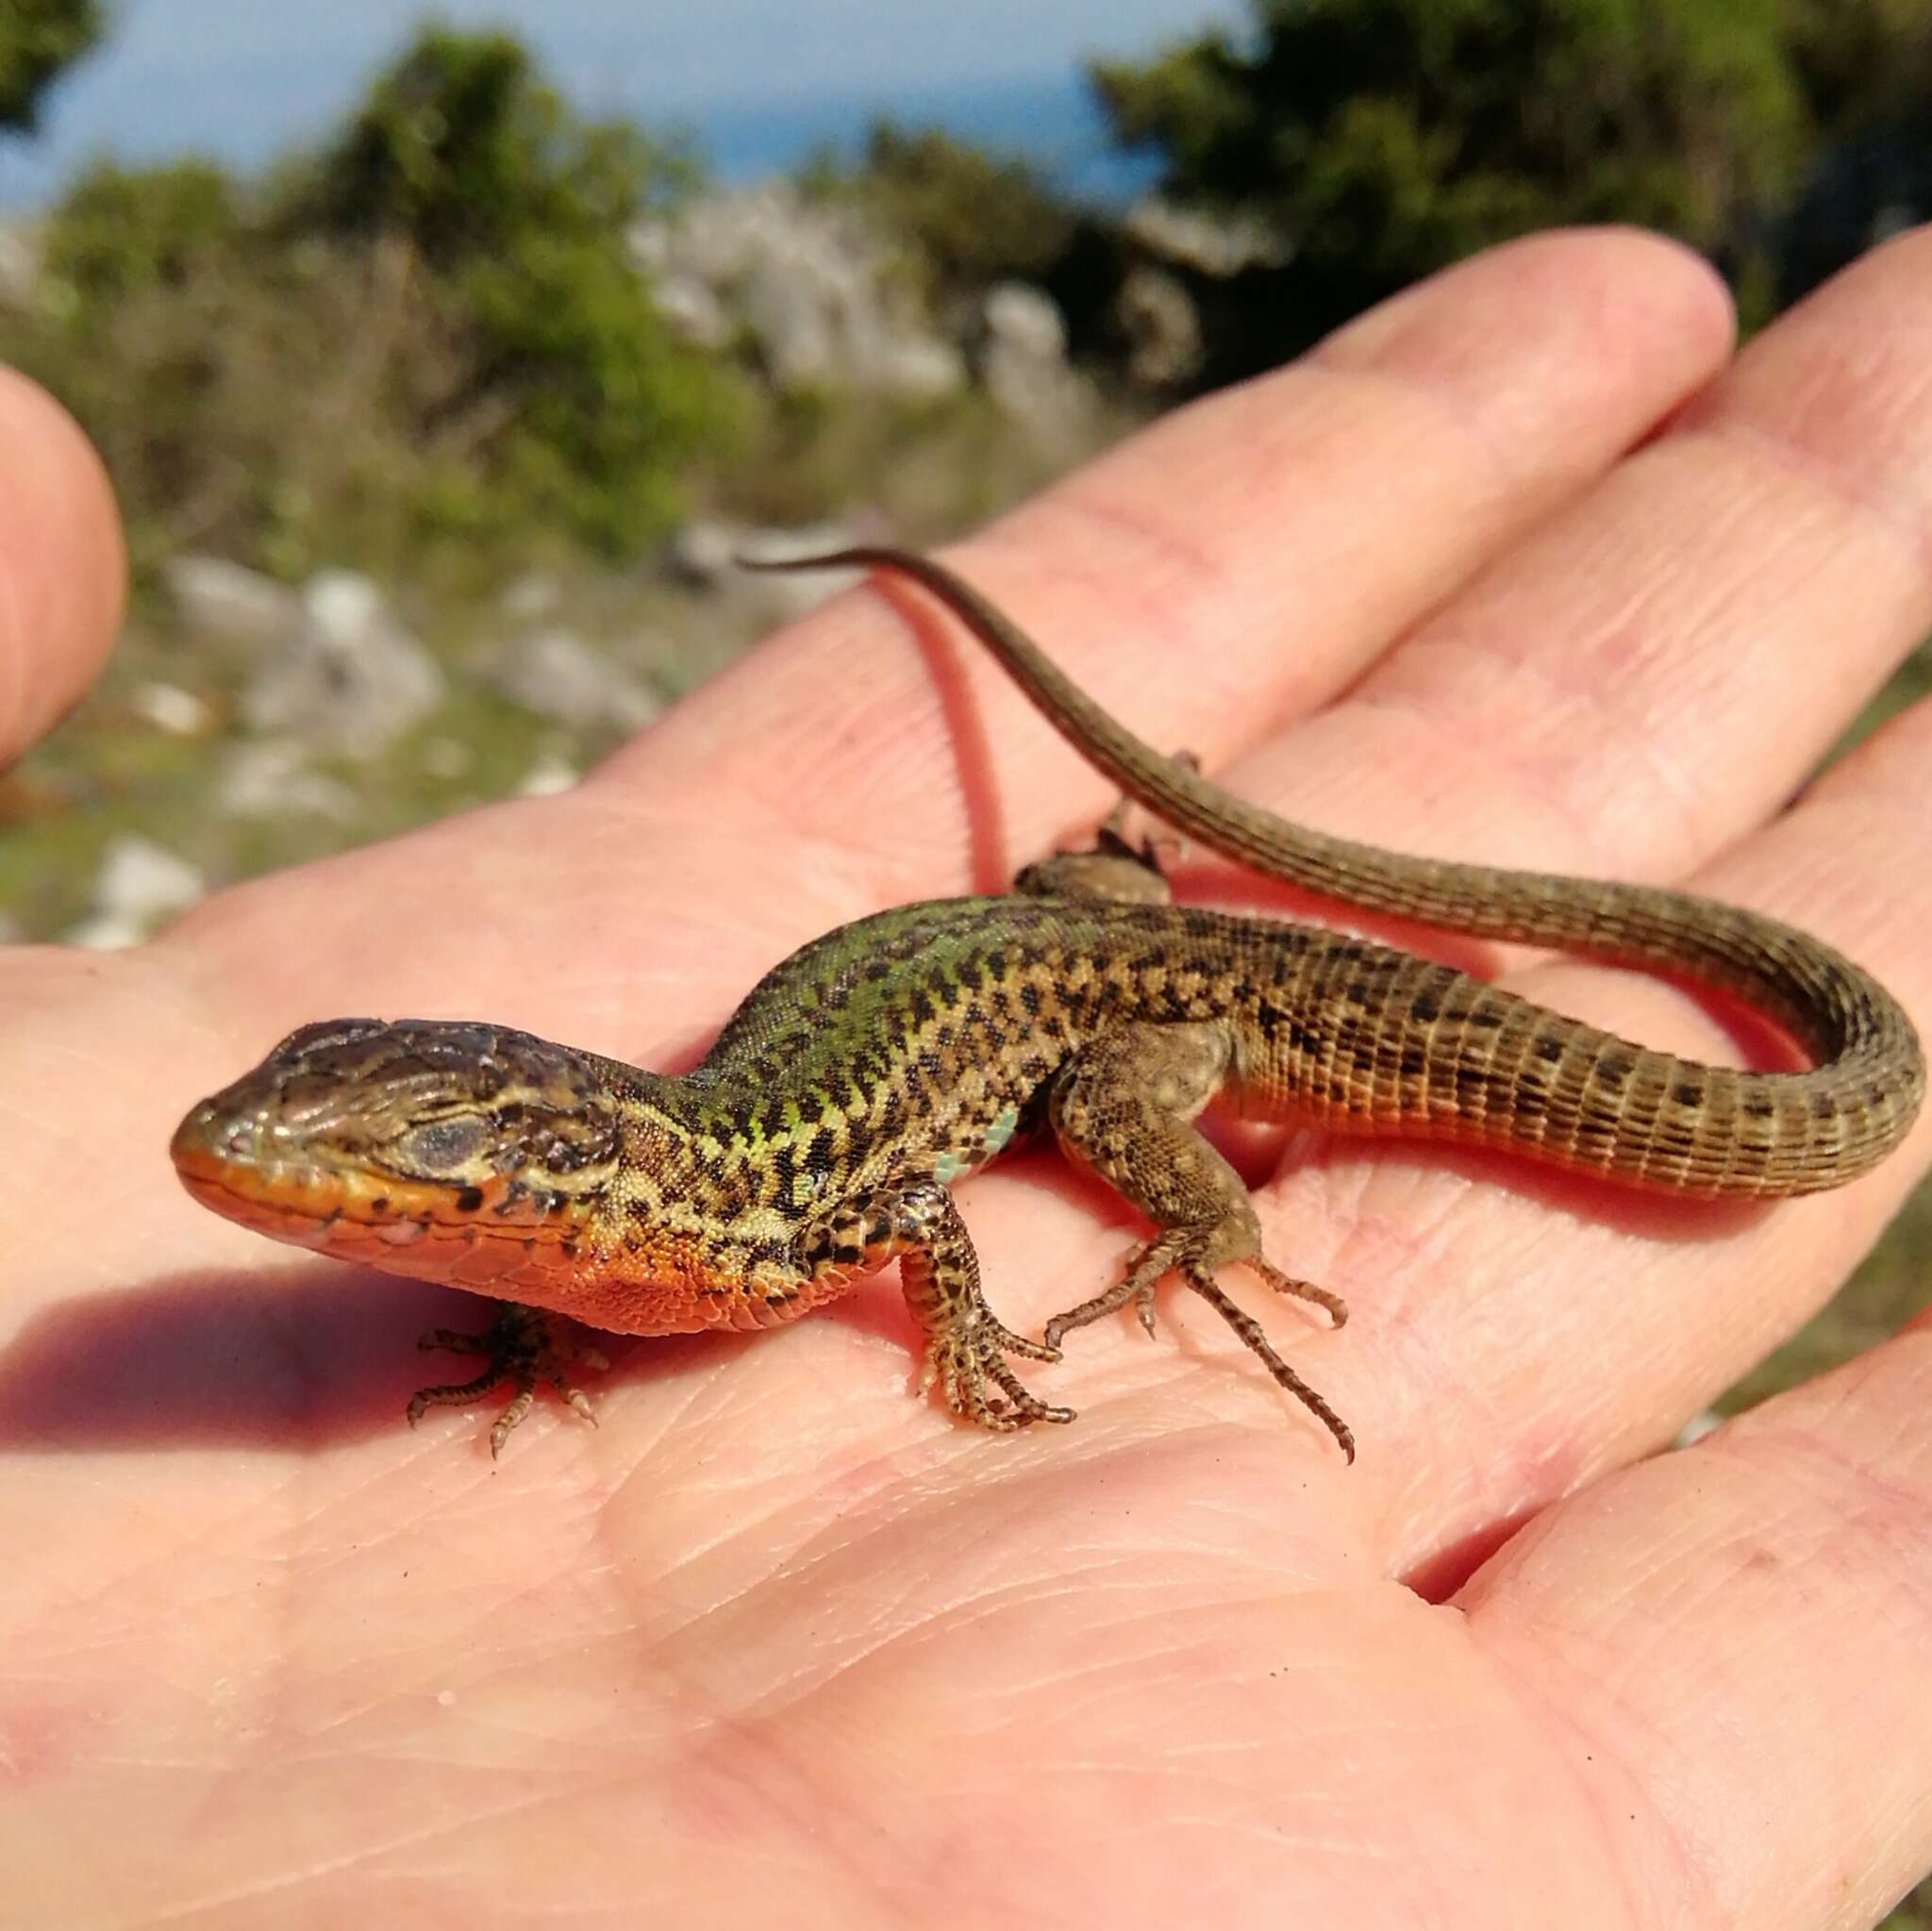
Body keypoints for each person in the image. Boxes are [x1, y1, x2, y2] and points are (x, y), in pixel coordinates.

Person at [2, 225, 1927, 1926]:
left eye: (384, 1157)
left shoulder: (749, 1230)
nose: (300, 1172)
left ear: (528, 1181)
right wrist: (536, 1328)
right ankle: (1118, 901)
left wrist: (982, 1335)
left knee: (1104, 1118)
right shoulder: (627, 1230)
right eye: (352, 1146)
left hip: (1103, 999)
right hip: (1021, 966)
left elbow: (915, 1206)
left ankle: (1207, 1205)